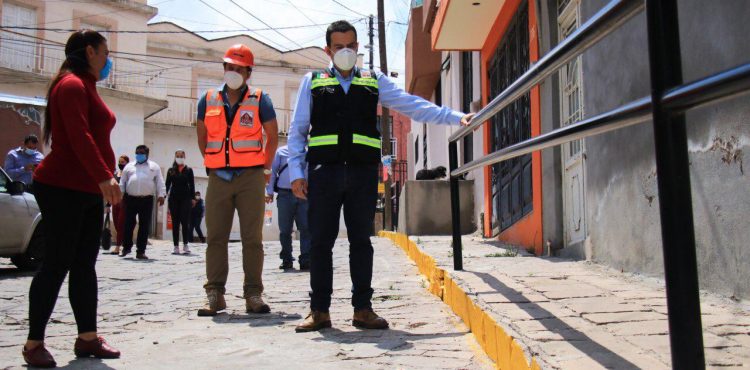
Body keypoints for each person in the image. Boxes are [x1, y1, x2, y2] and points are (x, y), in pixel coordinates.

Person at [290, 21, 474, 333]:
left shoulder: (372, 80)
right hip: (324, 173)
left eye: (350, 45)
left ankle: (363, 309)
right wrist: (296, 173)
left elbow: (413, 106)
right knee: (320, 242)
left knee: (362, 241)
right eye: (338, 47)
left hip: (362, 174)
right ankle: (319, 310)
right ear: (328, 50)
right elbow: (297, 132)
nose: (345, 51)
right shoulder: (313, 82)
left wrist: (455, 117)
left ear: (357, 47)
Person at [22, 29, 122, 368]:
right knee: (56, 263)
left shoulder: (87, 86)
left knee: (84, 265)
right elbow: (79, 137)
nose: (108, 60)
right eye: (106, 54)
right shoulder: (71, 85)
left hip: (87, 190)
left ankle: (87, 338)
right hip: (63, 187)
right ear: (91, 51)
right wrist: (104, 175)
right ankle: (34, 342)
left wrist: (103, 178)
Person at [195, 43, 278, 316]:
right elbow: (203, 136)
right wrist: (216, 161)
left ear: (248, 72)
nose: (233, 71)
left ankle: (253, 293)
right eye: (229, 66)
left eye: (239, 68)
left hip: (251, 177)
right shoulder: (207, 99)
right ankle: (215, 295)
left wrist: (264, 169)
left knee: (251, 238)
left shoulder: (260, 98)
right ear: (224, 68)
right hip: (219, 176)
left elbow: (272, 135)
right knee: (215, 237)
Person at [265, 145, 310, 271]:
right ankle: (286, 259)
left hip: (304, 194)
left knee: (306, 228)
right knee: (285, 230)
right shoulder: (280, 151)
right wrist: (269, 191)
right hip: (285, 194)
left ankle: (306, 259)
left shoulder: (308, 152)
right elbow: (272, 172)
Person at [119, 144, 166, 260]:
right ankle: (126, 247)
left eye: (141, 153)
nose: (139, 155)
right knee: (128, 224)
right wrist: (120, 195)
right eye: (137, 152)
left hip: (147, 199)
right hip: (130, 198)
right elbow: (122, 182)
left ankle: (141, 251)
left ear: (147, 154)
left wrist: (161, 195)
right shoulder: (129, 167)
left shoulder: (154, 167)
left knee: (144, 226)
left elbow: (160, 181)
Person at [165, 149, 195, 255]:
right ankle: (176, 246)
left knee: (184, 221)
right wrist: (164, 194)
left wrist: (193, 198)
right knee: (175, 223)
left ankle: (185, 244)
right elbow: (167, 184)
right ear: (175, 156)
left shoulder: (189, 170)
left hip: (185, 198)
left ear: (184, 156)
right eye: (177, 155)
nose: (179, 157)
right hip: (174, 199)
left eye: (181, 155)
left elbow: (192, 185)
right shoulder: (170, 170)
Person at [108, 155, 129, 255]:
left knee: (121, 223)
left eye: (123, 162)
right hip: (115, 201)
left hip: (124, 201)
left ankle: (117, 246)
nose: (120, 164)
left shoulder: (129, 173)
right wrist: (108, 203)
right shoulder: (116, 173)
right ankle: (125, 242)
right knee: (116, 224)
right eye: (119, 162)